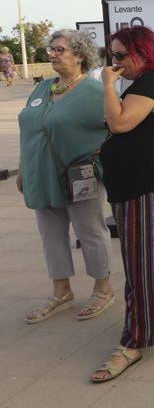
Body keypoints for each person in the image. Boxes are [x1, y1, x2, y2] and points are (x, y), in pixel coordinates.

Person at [92, 26, 154, 382]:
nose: (114, 63)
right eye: (110, 56)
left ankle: (135, 340)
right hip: (144, 186)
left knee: (145, 263)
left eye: (119, 56)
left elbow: (119, 123)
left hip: (149, 187)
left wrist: (106, 85)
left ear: (143, 52)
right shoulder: (153, 81)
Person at [17, 30, 114, 324]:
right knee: (51, 234)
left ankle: (103, 289)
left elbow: (117, 128)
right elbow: (30, 129)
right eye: (52, 49)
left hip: (79, 176)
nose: (53, 54)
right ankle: (61, 291)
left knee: (90, 232)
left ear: (80, 55)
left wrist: (99, 161)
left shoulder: (96, 92)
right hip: (40, 174)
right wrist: (23, 168)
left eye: (60, 49)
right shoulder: (43, 88)